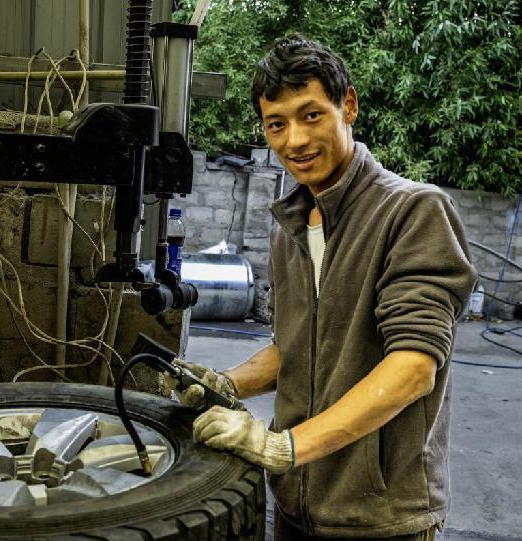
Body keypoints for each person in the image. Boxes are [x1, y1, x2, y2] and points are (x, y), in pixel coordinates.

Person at [175, 35, 477, 539]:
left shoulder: (413, 212)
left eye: (311, 115)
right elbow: (295, 348)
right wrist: (227, 384)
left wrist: (283, 446)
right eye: (277, 124)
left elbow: (413, 368)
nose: (294, 140)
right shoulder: (290, 227)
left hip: (381, 517)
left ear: (348, 106)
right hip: (294, 503)